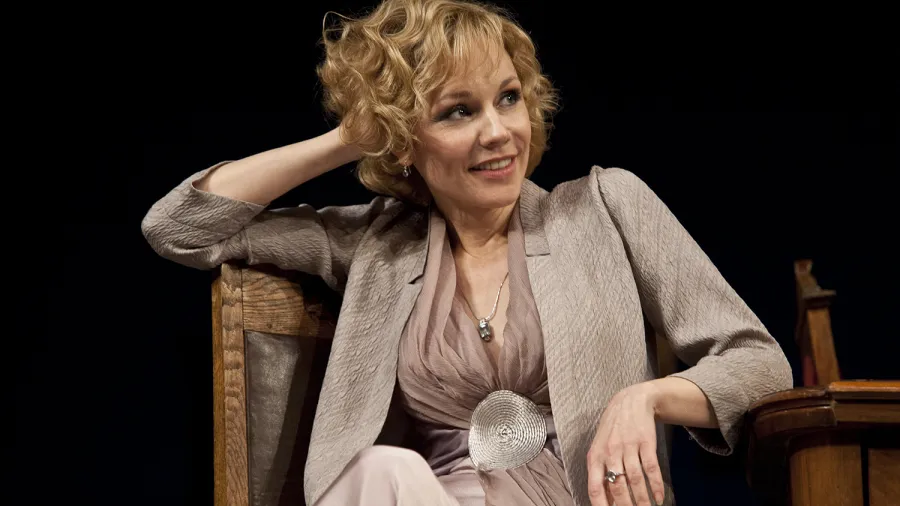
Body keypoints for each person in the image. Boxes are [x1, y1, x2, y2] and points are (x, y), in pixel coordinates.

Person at [141, 0, 793, 505]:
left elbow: (760, 365)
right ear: (403, 139)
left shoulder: (603, 209)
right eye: (458, 111)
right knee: (383, 471)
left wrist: (644, 398)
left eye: (508, 98)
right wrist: (350, 138)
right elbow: (180, 229)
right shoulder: (378, 246)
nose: (498, 131)